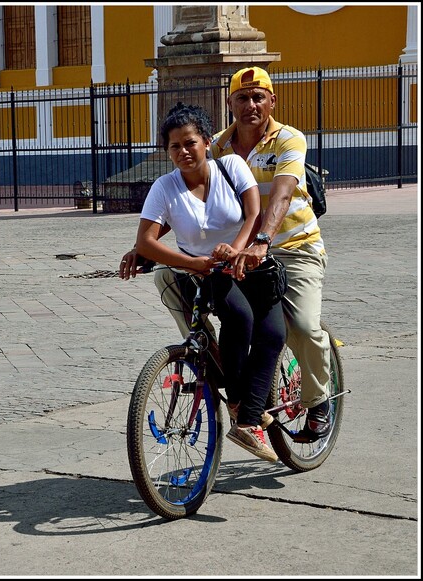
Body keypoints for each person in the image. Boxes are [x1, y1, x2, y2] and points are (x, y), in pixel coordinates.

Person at [132, 67, 332, 443]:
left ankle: (318, 400)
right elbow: (200, 202)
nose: (251, 105)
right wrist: (146, 244)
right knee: (173, 283)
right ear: (230, 104)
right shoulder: (217, 144)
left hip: (292, 245)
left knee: (301, 327)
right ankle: (214, 361)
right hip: (238, 253)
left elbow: (282, 194)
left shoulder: (289, 139)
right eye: (242, 97)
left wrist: (261, 241)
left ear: (273, 101)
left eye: (259, 97)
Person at [119, 102, 286, 462]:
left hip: (251, 264)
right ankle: (246, 414)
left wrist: (238, 250)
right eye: (174, 146)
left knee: (274, 334)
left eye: (189, 142)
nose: (183, 152)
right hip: (209, 274)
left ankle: (246, 413)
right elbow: (148, 240)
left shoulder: (232, 167)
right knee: (239, 319)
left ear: (207, 142)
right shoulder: (165, 188)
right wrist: (194, 262)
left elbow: (254, 212)